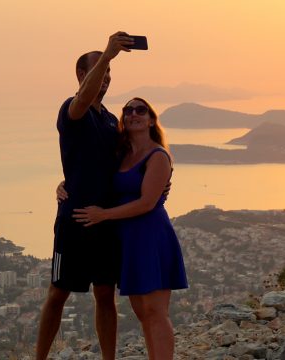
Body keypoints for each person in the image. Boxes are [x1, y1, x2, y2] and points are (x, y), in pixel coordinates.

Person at [35, 32, 136, 360]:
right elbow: (82, 100)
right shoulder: (72, 110)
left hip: (105, 222)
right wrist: (107, 54)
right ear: (82, 74)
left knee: (106, 294)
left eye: (109, 74)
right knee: (58, 292)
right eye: (100, 71)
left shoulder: (110, 120)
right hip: (74, 221)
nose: (106, 78)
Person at [73, 97, 188, 360]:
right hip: (129, 240)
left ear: (151, 120)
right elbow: (95, 174)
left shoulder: (158, 155)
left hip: (150, 235)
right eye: (128, 110)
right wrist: (64, 184)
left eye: (140, 110)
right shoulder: (122, 154)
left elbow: (147, 203)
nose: (133, 114)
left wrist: (104, 215)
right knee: (142, 312)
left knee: (155, 312)